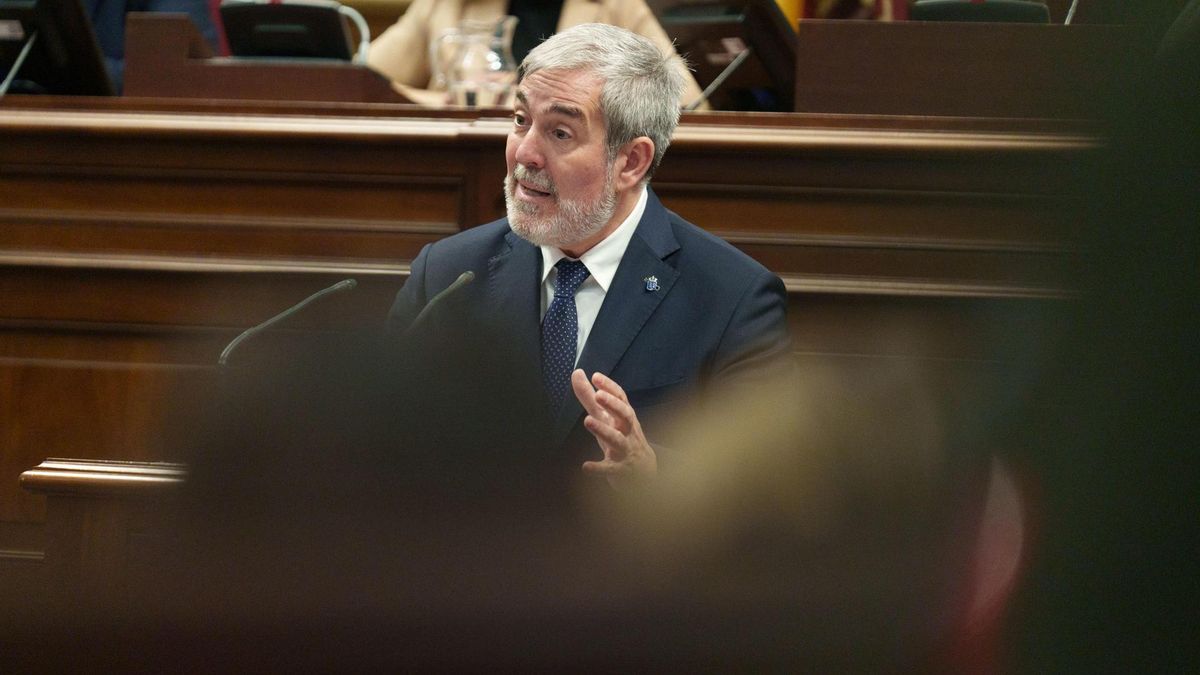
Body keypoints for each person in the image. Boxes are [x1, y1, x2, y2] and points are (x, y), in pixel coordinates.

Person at [387, 22, 790, 492]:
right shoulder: (447, 275)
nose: (525, 154)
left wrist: (656, 473)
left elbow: (771, 489)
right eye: (521, 120)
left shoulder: (733, 297)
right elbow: (378, 438)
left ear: (632, 161)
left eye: (560, 132)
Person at [366, 0, 708, 107]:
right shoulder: (447, 4)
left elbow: (687, 103)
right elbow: (355, 83)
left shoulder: (615, 6)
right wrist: (447, 103)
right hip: (465, 170)